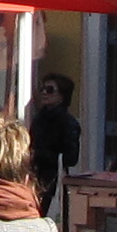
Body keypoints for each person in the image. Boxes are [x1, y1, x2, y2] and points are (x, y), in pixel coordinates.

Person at [26, 73, 82, 210]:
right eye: (43, 89)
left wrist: (39, 155)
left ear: (62, 95)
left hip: (52, 180)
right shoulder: (38, 118)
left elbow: (71, 157)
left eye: (50, 90)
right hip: (33, 176)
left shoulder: (67, 122)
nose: (44, 93)